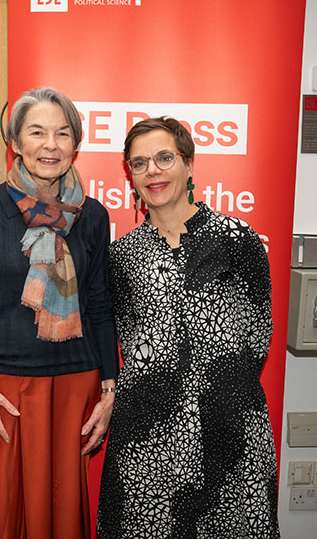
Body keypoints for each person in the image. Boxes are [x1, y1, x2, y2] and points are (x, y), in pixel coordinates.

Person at [0, 87, 119, 539]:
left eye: (63, 133)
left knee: (59, 514)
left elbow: (99, 303)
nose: (51, 144)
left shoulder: (93, 216)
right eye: (37, 132)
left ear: (75, 145)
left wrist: (110, 387)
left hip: (74, 387)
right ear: (16, 143)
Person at [97, 117, 279, 537]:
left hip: (230, 426)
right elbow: (126, 335)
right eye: (139, 163)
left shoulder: (236, 239)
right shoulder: (122, 257)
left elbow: (258, 331)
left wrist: (217, 387)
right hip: (147, 436)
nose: (152, 171)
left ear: (189, 165)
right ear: (130, 174)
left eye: (164, 158)